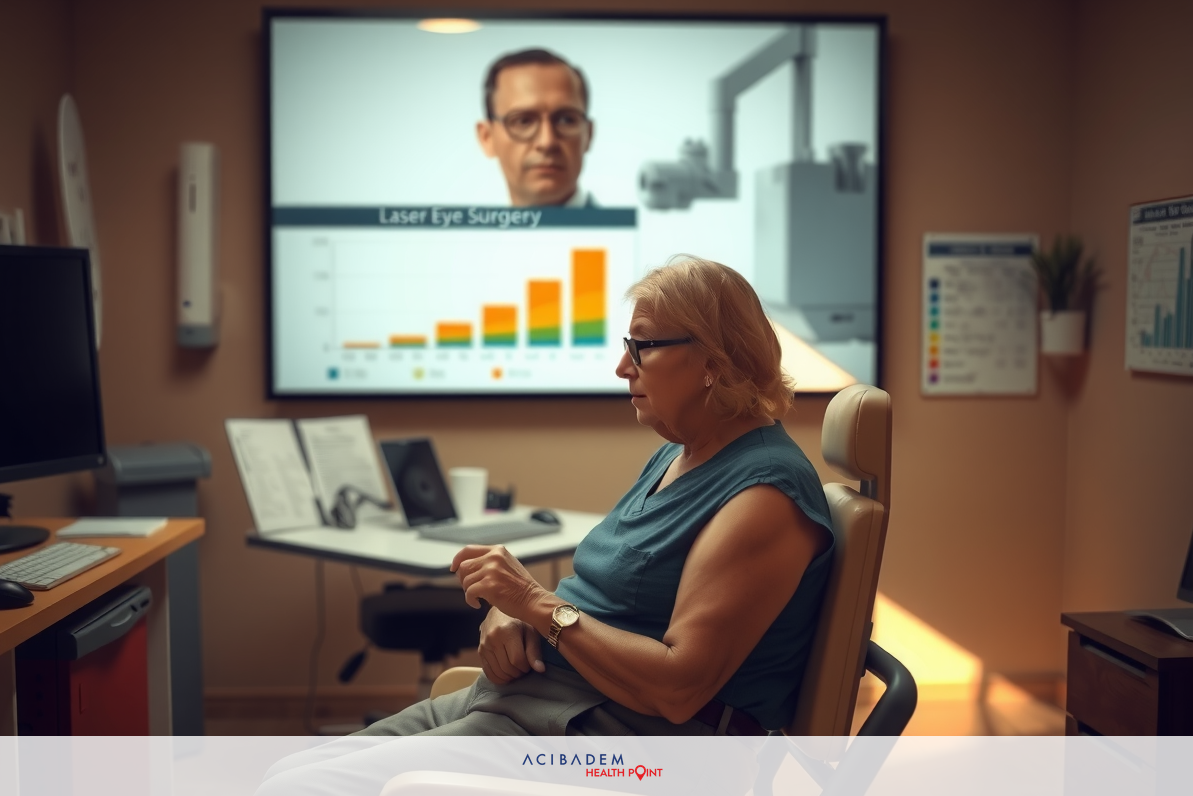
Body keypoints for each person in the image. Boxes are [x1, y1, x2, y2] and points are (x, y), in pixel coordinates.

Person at [257, 256, 835, 793]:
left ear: (713, 361)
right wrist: (515, 612)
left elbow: (680, 689)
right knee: (285, 773)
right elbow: (604, 601)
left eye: (642, 347)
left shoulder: (764, 495)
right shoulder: (680, 453)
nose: (620, 367)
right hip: (539, 704)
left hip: (618, 744)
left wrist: (534, 604)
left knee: (297, 790)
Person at [476, 49, 595, 207]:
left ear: (588, 134)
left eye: (566, 120)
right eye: (523, 121)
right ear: (487, 137)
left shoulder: (630, 230)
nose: (547, 142)